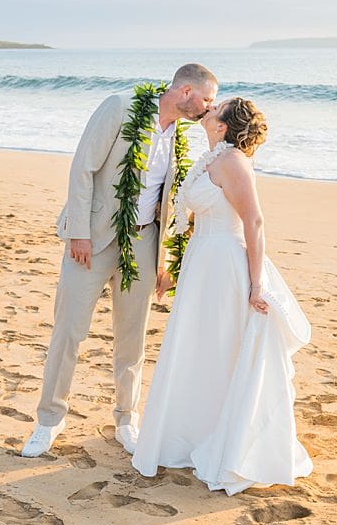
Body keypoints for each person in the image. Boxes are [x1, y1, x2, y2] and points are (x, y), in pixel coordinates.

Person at [20, 64, 219, 458]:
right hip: (93, 238)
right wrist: (79, 232)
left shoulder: (178, 134)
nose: (209, 108)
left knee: (133, 337)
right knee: (69, 331)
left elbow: (165, 200)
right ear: (186, 91)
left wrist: (164, 259)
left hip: (143, 242)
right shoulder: (120, 106)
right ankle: (49, 420)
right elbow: (83, 168)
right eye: (207, 99)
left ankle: (127, 419)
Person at [131, 97, 312, 494]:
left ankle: (226, 441)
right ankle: (194, 434)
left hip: (226, 264)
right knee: (201, 348)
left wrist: (256, 283)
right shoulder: (212, 158)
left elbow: (254, 222)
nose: (210, 107)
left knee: (221, 347)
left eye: (218, 107)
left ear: (223, 125)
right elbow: (197, 220)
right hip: (203, 262)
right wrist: (174, 271)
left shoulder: (232, 162)